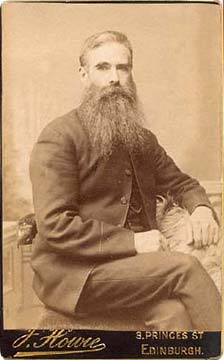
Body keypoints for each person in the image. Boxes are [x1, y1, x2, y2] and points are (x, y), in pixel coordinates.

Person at [30, 31, 220, 331]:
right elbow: (55, 225)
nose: (114, 78)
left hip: (133, 269)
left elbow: (182, 184)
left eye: (123, 67)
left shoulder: (141, 140)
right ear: (84, 74)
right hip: (77, 274)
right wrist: (134, 241)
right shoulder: (59, 137)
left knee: (174, 315)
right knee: (185, 268)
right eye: (103, 67)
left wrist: (201, 209)